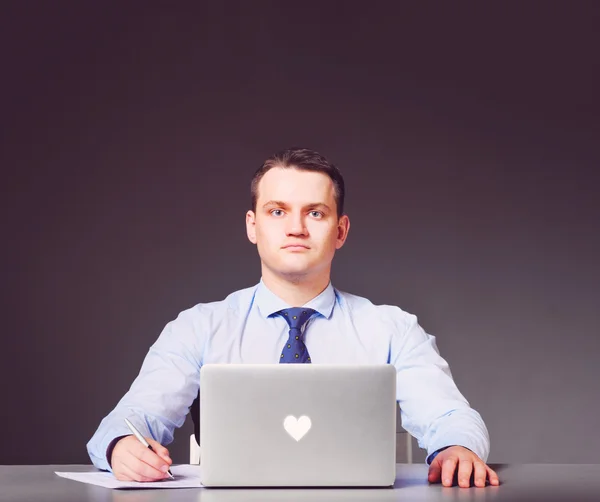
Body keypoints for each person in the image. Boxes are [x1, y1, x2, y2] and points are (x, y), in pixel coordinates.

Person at [87, 147, 500, 488]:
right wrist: (122, 445)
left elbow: (451, 417)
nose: (297, 228)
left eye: (316, 213)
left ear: (340, 231)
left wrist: (455, 449)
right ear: (253, 226)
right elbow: (132, 419)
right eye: (277, 211)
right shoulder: (198, 327)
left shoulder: (392, 329)